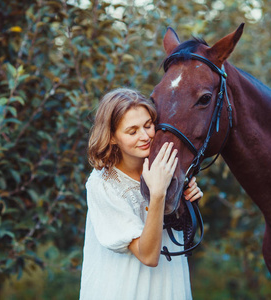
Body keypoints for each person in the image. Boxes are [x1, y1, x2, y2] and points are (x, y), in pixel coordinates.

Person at [80, 88, 203, 300]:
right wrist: (157, 194)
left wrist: (188, 200)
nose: (145, 136)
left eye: (148, 125)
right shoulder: (103, 185)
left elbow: (179, 233)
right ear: (112, 138)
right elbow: (148, 256)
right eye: (132, 131)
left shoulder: (166, 167)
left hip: (168, 287)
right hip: (124, 290)